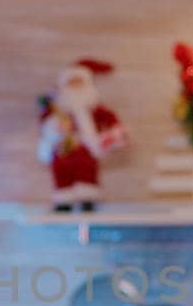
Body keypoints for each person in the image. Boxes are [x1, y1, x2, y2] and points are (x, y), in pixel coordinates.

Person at [36, 58, 128, 212]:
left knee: (86, 168)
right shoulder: (58, 109)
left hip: (86, 145)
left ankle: (88, 199)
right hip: (63, 145)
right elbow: (45, 122)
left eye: (79, 82)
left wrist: (115, 132)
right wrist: (55, 126)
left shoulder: (94, 109)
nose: (76, 86)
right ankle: (63, 200)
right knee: (61, 168)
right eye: (72, 82)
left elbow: (110, 119)